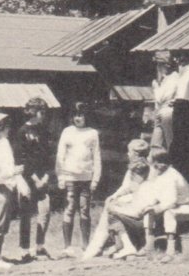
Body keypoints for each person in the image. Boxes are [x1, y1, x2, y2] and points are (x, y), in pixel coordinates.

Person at [108, 149, 189, 261]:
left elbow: (171, 201)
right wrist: (148, 206)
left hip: (186, 206)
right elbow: (155, 196)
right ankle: (149, 248)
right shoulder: (159, 173)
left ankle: (170, 252)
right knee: (149, 210)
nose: (149, 161)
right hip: (172, 204)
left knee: (168, 213)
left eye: (151, 159)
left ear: (158, 161)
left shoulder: (171, 175)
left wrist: (156, 208)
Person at [81, 138, 150, 260]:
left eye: (129, 151)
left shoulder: (141, 167)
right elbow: (125, 186)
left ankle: (97, 247)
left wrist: (117, 196)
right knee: (110, 204)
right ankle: (101, 246)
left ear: (136, 153)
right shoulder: (134, 166)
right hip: (132, 198)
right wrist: (113, 196)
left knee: (110, 209)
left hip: (138, 200)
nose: (128, 154)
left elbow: (133, 188)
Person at [0, 111, 29, 270]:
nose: (9, 129)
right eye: (6, 126)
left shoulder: (4, 143)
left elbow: (7, 166)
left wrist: (14, 172)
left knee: (1, 224)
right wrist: (13, 172)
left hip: (5, 188)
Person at [56, 102, 101, 257]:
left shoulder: (92, 133)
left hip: (86, 179)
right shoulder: (67, 132)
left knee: (84, 210)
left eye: (80, 115)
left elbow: (96, 156)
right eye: (75, 115)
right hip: (70, 177)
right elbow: (60, 156)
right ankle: (67, 246)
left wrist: (95, 178)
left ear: (86, 116)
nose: (78, 118)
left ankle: (85, 244)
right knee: (69, 209)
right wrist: (61, 176)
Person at [14, 97, 54, 260]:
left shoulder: (44, 131)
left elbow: (47, 155)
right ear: (32, 112)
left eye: (44, 111)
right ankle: (24, 249)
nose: (43, 114)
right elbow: (21, 158)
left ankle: (40, 246)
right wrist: (34, 178)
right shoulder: (22, 131)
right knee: (26, 215)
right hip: (27, 179)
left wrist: (45, 176)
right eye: (41, 111)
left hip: (42, 177)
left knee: (45, 211)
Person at [171, 52, 189, 181]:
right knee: (176, 139)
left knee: (185, 140)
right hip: (178, 105)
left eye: (181, 56)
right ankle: (176, 171)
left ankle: (186, 175)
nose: (178, 59)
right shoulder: (180, 70)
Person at [150, 52, 179, 152]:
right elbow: (157, 100)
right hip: (159, 112)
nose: (158, 67)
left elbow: (165, 97)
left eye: (160, 64)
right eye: (158, 64)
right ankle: (154, 164)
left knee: (170, 142)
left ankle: (174, 163)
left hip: (167, 111)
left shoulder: (174, 78)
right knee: (155, 143)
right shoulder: (160, 81)